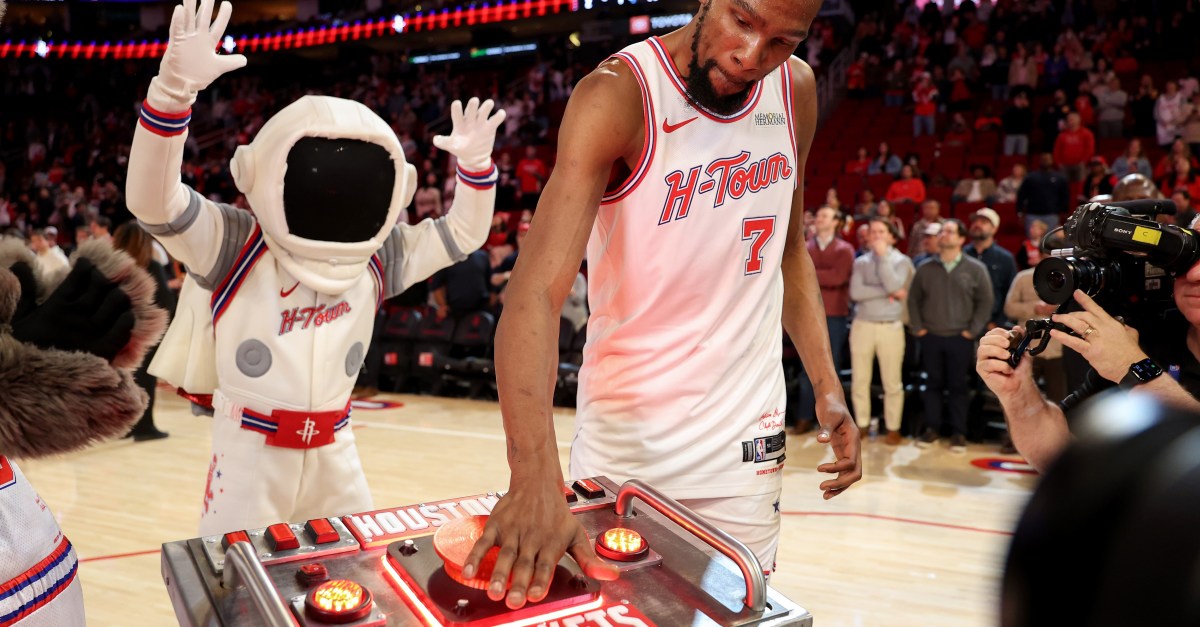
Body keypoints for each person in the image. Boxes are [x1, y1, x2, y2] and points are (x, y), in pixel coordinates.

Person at [463, 0, 861, 609]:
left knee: (734, 618)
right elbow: (534, 297)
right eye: (742, 21)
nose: (751, 57)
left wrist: (828, 387)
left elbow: (788, 250)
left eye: (782, 41)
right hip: (630, 445)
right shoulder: (619, 95)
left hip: (746, 446)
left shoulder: (797, 89)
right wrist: (532, 474)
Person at [125, 0, 505, 535]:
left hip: (337, 446)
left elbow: (463, 234)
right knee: (239, 590)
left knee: (358, 582)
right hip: (252, 450)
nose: (335, 192)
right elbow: (152, 201)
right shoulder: (237, 241)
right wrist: (170, 94)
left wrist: (477, 169)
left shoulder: (376, 255)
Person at [977, 260, 1200, 471]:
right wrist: (1018, 393)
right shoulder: (1151, 334)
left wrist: (1133, 366)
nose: (1194, 274)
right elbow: (1061, 457)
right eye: (1189, 257)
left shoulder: (1131, 355)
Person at [908, 219, 994, 453]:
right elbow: (913, 299)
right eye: (942, 232)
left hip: (960, 337)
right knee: (933, 384)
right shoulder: (925, 267)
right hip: (931, 336)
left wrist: (972, 331)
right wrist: (919, 328)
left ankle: (958, 433)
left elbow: (985, 301)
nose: (943, 235)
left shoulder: (976, 269)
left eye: (949, 231)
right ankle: (931, 429)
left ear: (961, 239)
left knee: (958, 386)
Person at [849, 217, 914, 444]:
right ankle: (862, 424)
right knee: (860, 380)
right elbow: (856, 292)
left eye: (880, 232)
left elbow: (896, 286)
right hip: (862, 324)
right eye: (872, 232)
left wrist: (883, 258)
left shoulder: (902, 261)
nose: (875, 236)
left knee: (892, 382)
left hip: (890, 326)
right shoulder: (861, 262)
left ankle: (893, 427)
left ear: (892, 237)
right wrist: (886, 292)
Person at [112, 222, 176, 441]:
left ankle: (127, 425)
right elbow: (166, 300)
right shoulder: (151, 266)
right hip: (145, 332)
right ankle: (144, 426)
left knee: (125, 379)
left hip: (119, 330)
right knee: (145, 378)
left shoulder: (113, 269)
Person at [795, 206, 855, 433]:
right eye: (818, 214)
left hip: (835, 315)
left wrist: (810, 274)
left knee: (832, 368)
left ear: (836, 222)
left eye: (825, 215)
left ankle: (834, 421)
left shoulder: (845, 249)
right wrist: (820, 275)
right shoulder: (804, 247)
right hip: (808, 314)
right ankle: (803, 417)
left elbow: (838, 277)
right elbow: (799, 277)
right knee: (805, 367)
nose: (819, 218)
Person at [964, 208, 1017, 331]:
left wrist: (997, 322)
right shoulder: (961, 254)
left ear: (994, 229)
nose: (977, 224)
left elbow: (1009, 293)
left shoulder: (1005, 258)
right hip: (962, 324)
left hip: (990, 324)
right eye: (975, 221)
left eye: (983, 222)